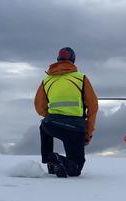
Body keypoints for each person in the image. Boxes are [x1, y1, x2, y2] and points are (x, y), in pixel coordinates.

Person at [34, 47, 98, 178]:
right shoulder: (81, 78)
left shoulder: (46, 81)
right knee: (75, 168)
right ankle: (56, 159)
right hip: (74, 129)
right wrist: (88, 133)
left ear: (58, 60)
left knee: (43, 125)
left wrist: (50, 116)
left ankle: (50, 160)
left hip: (51, 124)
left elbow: (39, 105)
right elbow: (93, 107)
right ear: (73, 60)